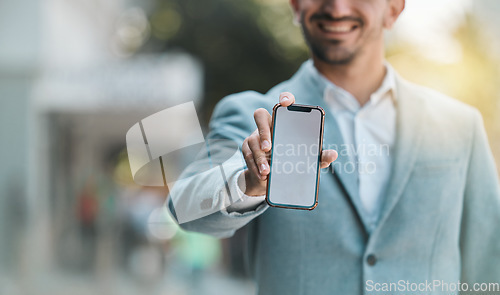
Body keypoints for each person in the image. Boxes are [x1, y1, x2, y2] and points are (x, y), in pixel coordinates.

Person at [167, 0, 500, 293]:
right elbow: (184, 207)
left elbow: (488, 262)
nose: (337, 7)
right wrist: (248, 183)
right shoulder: (253, 115)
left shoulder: (460, 126)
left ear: (394, 7)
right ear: (296, 5)